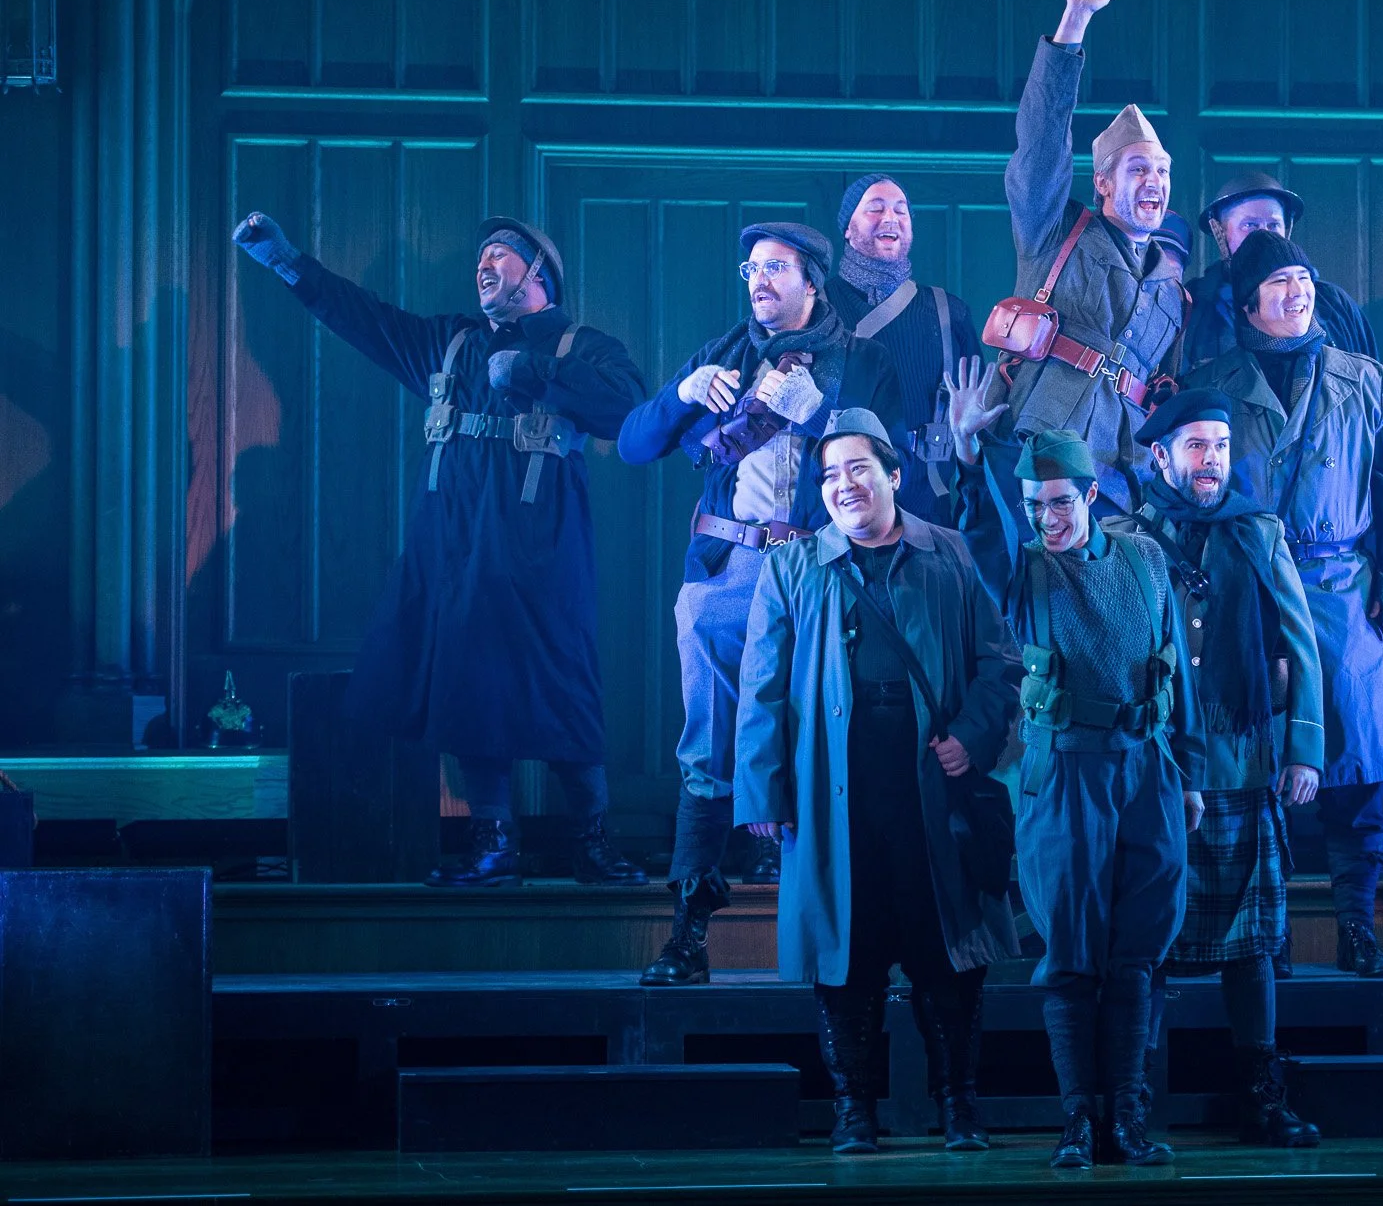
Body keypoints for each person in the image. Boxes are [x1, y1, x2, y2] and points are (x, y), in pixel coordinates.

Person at [230, 212, 648, 887]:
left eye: (499, 255)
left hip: (544, 550)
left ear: (537, 272)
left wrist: (539, 371)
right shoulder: (449, 342)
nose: (483, 263)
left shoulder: (582, 344)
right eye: (479, 255)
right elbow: (361, 317)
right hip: (453, 550)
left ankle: (593, 843)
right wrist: (285, 262)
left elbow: (630, 405)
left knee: (564, 685)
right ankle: (494, 844)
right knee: (469, 686)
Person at [619, 221, 904, 986]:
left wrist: (819, 415)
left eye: (777, 267)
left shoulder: (866, 360)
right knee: (705, 746)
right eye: (751, 267)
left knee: (819, 735)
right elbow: (632, 444)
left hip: (817, 571)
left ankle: (839, 941)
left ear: (813, 279)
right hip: (724, 568)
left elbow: (894, 456)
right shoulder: (720, 355)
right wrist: (681, 392)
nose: (759, 280)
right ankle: (687, 933)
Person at [733, 408, 1021, 1154]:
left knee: (947, 951)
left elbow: (1000, 663)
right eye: (828, 474)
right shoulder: (793, 565)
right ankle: (852, 1111)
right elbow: (761, 687)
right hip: (835, 788)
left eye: (858, 467)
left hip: (931, 786)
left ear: (895, 474)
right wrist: (763, 792)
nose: (842, 485)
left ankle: (960, 1108)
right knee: (845, 954)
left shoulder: (949, 553)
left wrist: (971, 738)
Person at [947, 370, 1202, 1169]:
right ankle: (1077, 1122)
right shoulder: (1023, 572)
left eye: (1060, 502)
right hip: (1065, 774)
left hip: (1147, 768)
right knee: (1070, 949)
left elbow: (1176, 669)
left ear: (1090, 495)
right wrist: (972, 453)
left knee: (1138, 948)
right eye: (1035, 506)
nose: (1048, 518)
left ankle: (1126, 1116)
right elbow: (984, 534)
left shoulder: (1145, 559)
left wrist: (1188, 771)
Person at [1183, 229, 1383, 978]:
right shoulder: (1215, 381)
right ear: (1249, 302)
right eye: (1281, 282)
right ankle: (1274, 937)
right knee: (1262, 774)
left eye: (1304, 278)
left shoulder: (1363, 379)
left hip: (1346, 599)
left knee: (1357, 783)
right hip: (1250, 597)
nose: (1297, 291)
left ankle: (1358, 928)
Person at [1111, 389, 1324, 1147]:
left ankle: (1262, 1096)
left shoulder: (1256, 532)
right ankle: (1133, 1099)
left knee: (1252, 942)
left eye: (1221, 448)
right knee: (1147, 940)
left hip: (1240, 761)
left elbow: (1300, 644)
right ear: (1160, 455)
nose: (1211, 462)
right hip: (1155, 765)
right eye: (1196, 447)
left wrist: (1303, 748)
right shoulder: (1125, 536)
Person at [988, 0, 1188, 510]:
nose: (1155, 180)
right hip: (1037, 471)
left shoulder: (1174, 293)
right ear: (1102, 182)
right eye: (1138, 168)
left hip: (1121, 494)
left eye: (1163, 171)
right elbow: (1042, 143)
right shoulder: (1055, 233)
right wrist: (1074, 22)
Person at [824, 174, 975, 521]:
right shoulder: (816, 307)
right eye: (875, 209)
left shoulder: (948, 311)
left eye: (901, 211)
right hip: (837, 513)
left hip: (928, 513)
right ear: (848, 228)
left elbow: (978, 425)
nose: (890, 218)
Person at [1183, 172, 1377, 367]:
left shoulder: (1334, 304)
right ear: (1220, 232)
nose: (1264, 236)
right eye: (1250, 225)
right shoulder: (1194, 306)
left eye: (1274, 224)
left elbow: (1368, 380)